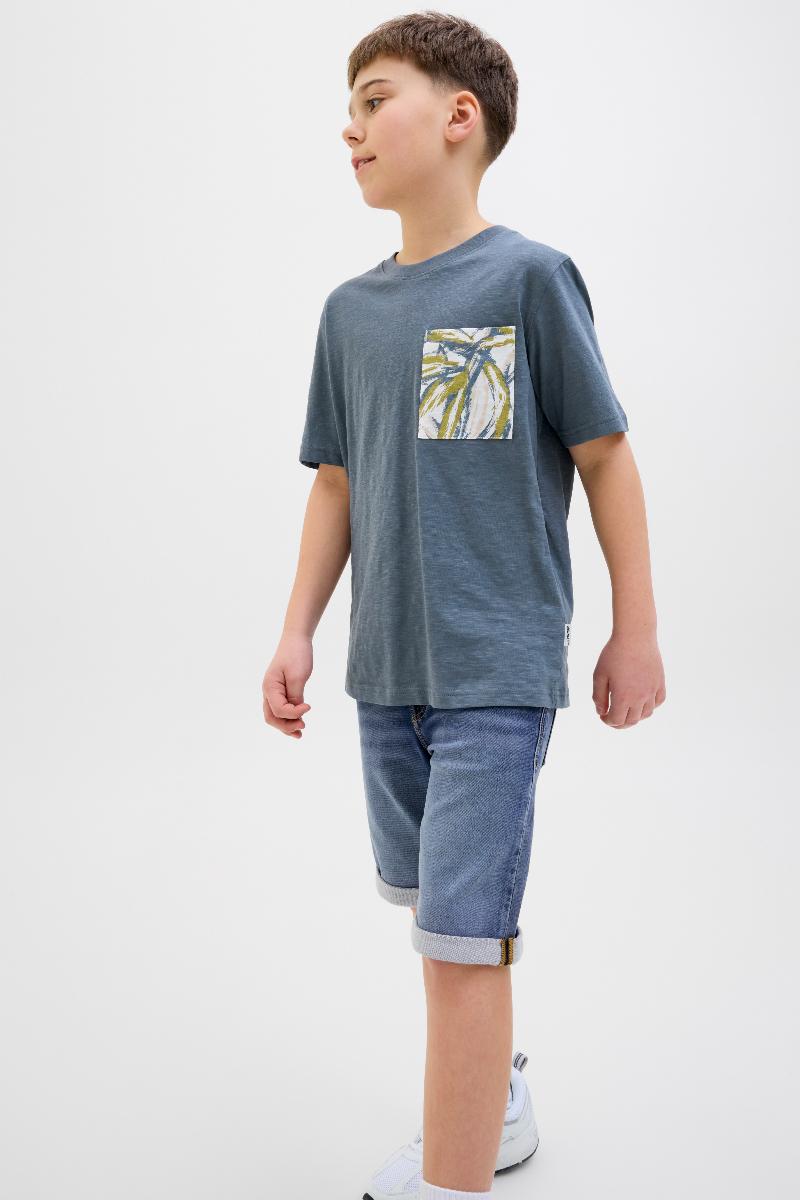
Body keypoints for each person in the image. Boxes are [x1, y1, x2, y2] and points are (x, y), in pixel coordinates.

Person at [262, 12, 666, 1200]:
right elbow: (335, 482)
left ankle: (453, 1182)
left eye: (372, 99)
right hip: (385, 674)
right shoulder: (348, 312)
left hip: (494, 672)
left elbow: (604, 454)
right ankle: (497, 1108)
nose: (349, 128)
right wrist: (296, 629)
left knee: (457, 945)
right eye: (345, 110)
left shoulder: (527, 279)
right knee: (442, 923)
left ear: (458, 116)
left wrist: (633, 629)